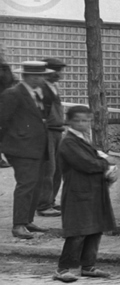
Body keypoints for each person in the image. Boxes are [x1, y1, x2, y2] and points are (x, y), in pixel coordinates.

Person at [54, 104, 116, 283]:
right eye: (77, 120)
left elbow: (95, 158)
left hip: (93, 189)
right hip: (78, 191)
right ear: (69, 121)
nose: (82, 124)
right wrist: (107, 163)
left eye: (86, 120)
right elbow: (87, 164)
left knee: (95, 229)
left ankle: (88, 266)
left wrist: (106, 167)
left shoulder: (84, 138)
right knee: (78, 231)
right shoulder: (68, 142)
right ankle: (63, 268)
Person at [1, 62, 49, 240]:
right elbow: (2, 120)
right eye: (37, 76)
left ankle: (27, 220)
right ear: (27, 76)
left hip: (35, 147)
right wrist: (7, 144)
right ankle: (19, 225)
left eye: (42, 75)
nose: (41, 79)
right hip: (20, 148)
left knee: (34, 184)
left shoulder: (35, 94)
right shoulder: (13, 94)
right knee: (26, 185)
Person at [37, 57, 67, 215]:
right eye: (56, 70)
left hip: (57, 130)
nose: (59, 74)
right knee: (48, 168)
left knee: (58, 169)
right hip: (47, 131)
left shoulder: (54, 87)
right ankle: (43, 205)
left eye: (60, 70)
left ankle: (51, 200)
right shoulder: (41, 88)